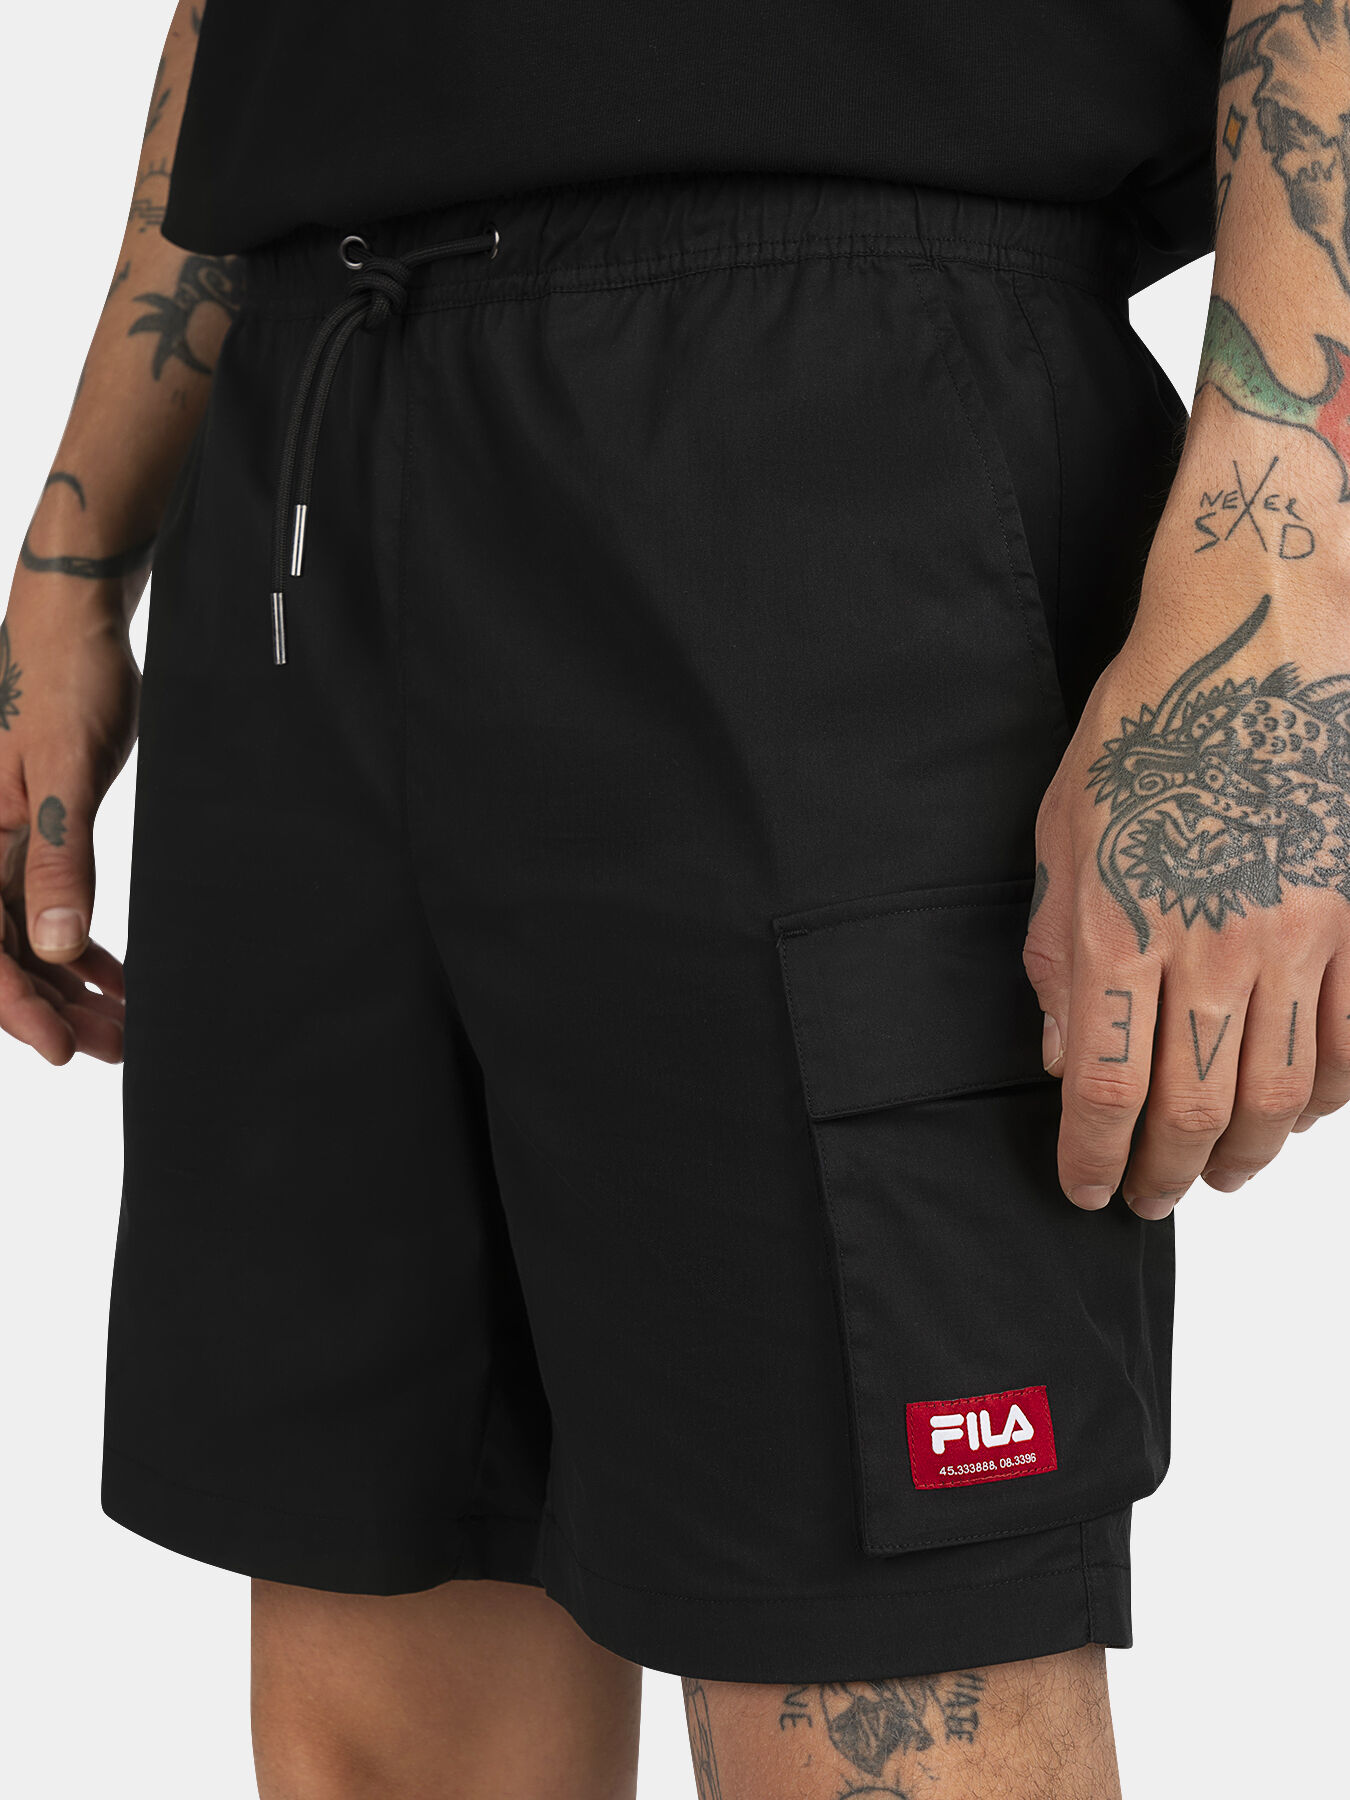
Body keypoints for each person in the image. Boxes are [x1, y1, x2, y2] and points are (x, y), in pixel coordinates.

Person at [4, 0, 1347, 1793]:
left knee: (867, 1691)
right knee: (379, 1684)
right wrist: (74, 565)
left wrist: (1285, 573)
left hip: (821, 425)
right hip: (306, 432)